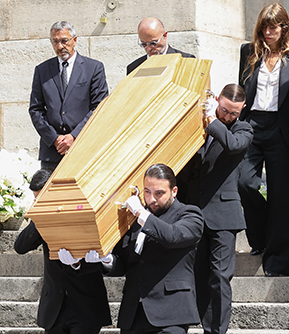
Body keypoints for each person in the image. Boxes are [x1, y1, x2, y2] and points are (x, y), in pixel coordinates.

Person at [238, 3, 289, 277]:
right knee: (243, 182)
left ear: (284, 27)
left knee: (282, 197)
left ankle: (277, 263)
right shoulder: (249, 52)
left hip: (283, 129)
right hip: (252, 126)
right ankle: (259, 238)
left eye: (274, 27)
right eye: (264, 28)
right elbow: (242, 93)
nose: (268, 33)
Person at [89, 164, 204, 334]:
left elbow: (172, 236)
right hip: (134, 313)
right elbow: (127, 263)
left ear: (174, 191)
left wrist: (141, 214)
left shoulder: (190, 215)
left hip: (170, 314)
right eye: (147, 192)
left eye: (159, 193)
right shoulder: (135, 220)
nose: (151, 199)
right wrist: (107, 260)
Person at [178, 83, 253, 334]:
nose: (228, 116)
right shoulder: (199, 124)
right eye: (224, 110)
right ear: (217, 99)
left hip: (224, 216)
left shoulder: (243, 129)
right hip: (195, 212)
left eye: (234, 112)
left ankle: (217, 331)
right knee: (198, 276)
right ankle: (200, 323)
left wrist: (212, 119)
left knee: (220, 277)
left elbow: (232, 145)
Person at [14, 169, 112, 334]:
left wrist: (77, 264)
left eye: (42, 199)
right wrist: (39, 217)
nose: (39, 202)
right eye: (37, 199)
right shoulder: (42, 220)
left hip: (86, 304)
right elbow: (20, 247)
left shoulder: (82, 210)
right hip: (54, 308)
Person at [29, 21, 109, 171]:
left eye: (64, 41)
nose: (60, 46)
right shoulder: (42, 70)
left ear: (75, 40)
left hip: (84, 149)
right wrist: (55, 138)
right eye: (55, 41)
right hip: (52, 154)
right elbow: (36, 110)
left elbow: (99, 107)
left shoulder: (93, 68)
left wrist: (74, 136)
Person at [126, 17, 195, 75]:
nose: (148, 48)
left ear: (164, 36)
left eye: (153, 43)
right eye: (144, 44)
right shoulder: (134, 68)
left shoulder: (186, 61)